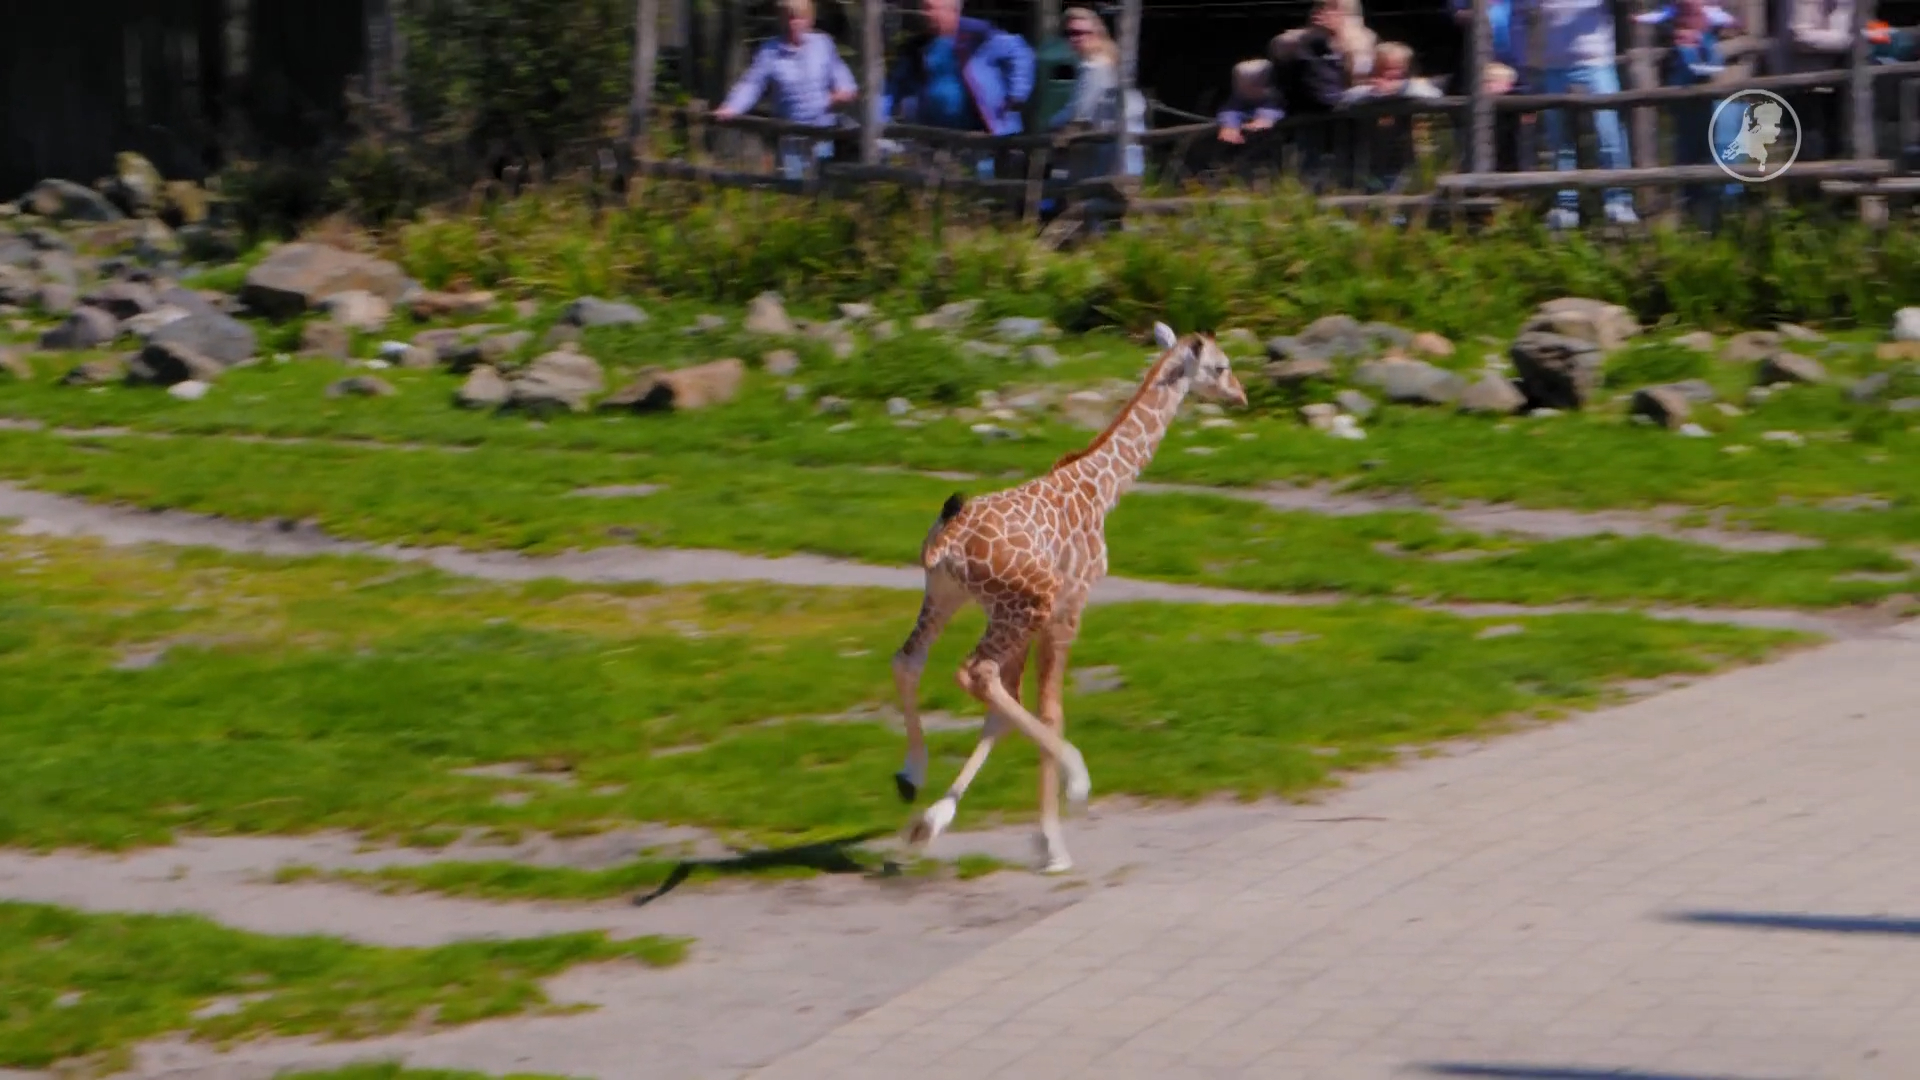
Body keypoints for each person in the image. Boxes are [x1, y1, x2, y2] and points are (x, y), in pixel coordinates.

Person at [882, 0, 1035, 178]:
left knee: (987, 189)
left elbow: (1020, 52)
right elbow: (892, 87)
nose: (926, 14)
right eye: (924, 9)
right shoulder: (915, 47)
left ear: (952, 11)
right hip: (934, 135)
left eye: (932, 9)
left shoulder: (980, 36)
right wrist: (878, 119)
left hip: (984, 134)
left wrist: (1017, 92)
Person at [713, 0, 858, 180]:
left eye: (798, 18)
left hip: (821, 133)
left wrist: (843, 93)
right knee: (793, 187)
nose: (793, 23)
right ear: (781, 19)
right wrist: (731, 107)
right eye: (788, 18)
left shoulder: (823, 45)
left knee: (823, 188)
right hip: (790, 136)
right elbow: (752, 84)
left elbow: (842, 77)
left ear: (809, 20)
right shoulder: (770, 51)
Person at [1526, 0, 1639, 228]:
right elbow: (1524, 15)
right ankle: (1566, 207)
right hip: (1553, 66)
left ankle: (1618, 202)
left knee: (1608, 134)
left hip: (1596, 62)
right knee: (1560, 140)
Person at [1639, 0, 1742, 225]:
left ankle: (1729, 211)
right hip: (1685, 80)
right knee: (1689, 146)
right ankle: (1694, 214)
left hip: (1728, 77)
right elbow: (1662, 17)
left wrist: (1709, 33)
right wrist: (1678, 31)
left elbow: (1742, 26)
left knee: (1727, 146)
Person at [1047, 7, 1144, 191]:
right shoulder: (1109, 61)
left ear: (1097, 33)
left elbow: (1080, 111)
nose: (1075, 38)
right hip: (1116, 146)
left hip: (1103, 146)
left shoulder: (1095, 67)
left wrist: (1052, 123)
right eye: (1069, 33)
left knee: (1090, 195)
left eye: (1081, 32)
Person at [1337, 42, 1442, 196]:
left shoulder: (1413, 87)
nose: (1391, 74)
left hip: (1403, 159)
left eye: (1397, 68)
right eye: (1385, 68)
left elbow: (1434, 94)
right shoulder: (1363, 91)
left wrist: (1399, 88)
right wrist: (1375, 92)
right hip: (1369, 161)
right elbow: (1345, 98)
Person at [1216, 59, 1284, 145]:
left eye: (1254, 84)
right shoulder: (1238, 97)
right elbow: (1229, 110)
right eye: (1240, 84)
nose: (1245, 89)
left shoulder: (1274, 97)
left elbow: (1275, 109)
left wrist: (1265, 119)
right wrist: (1230, 125)